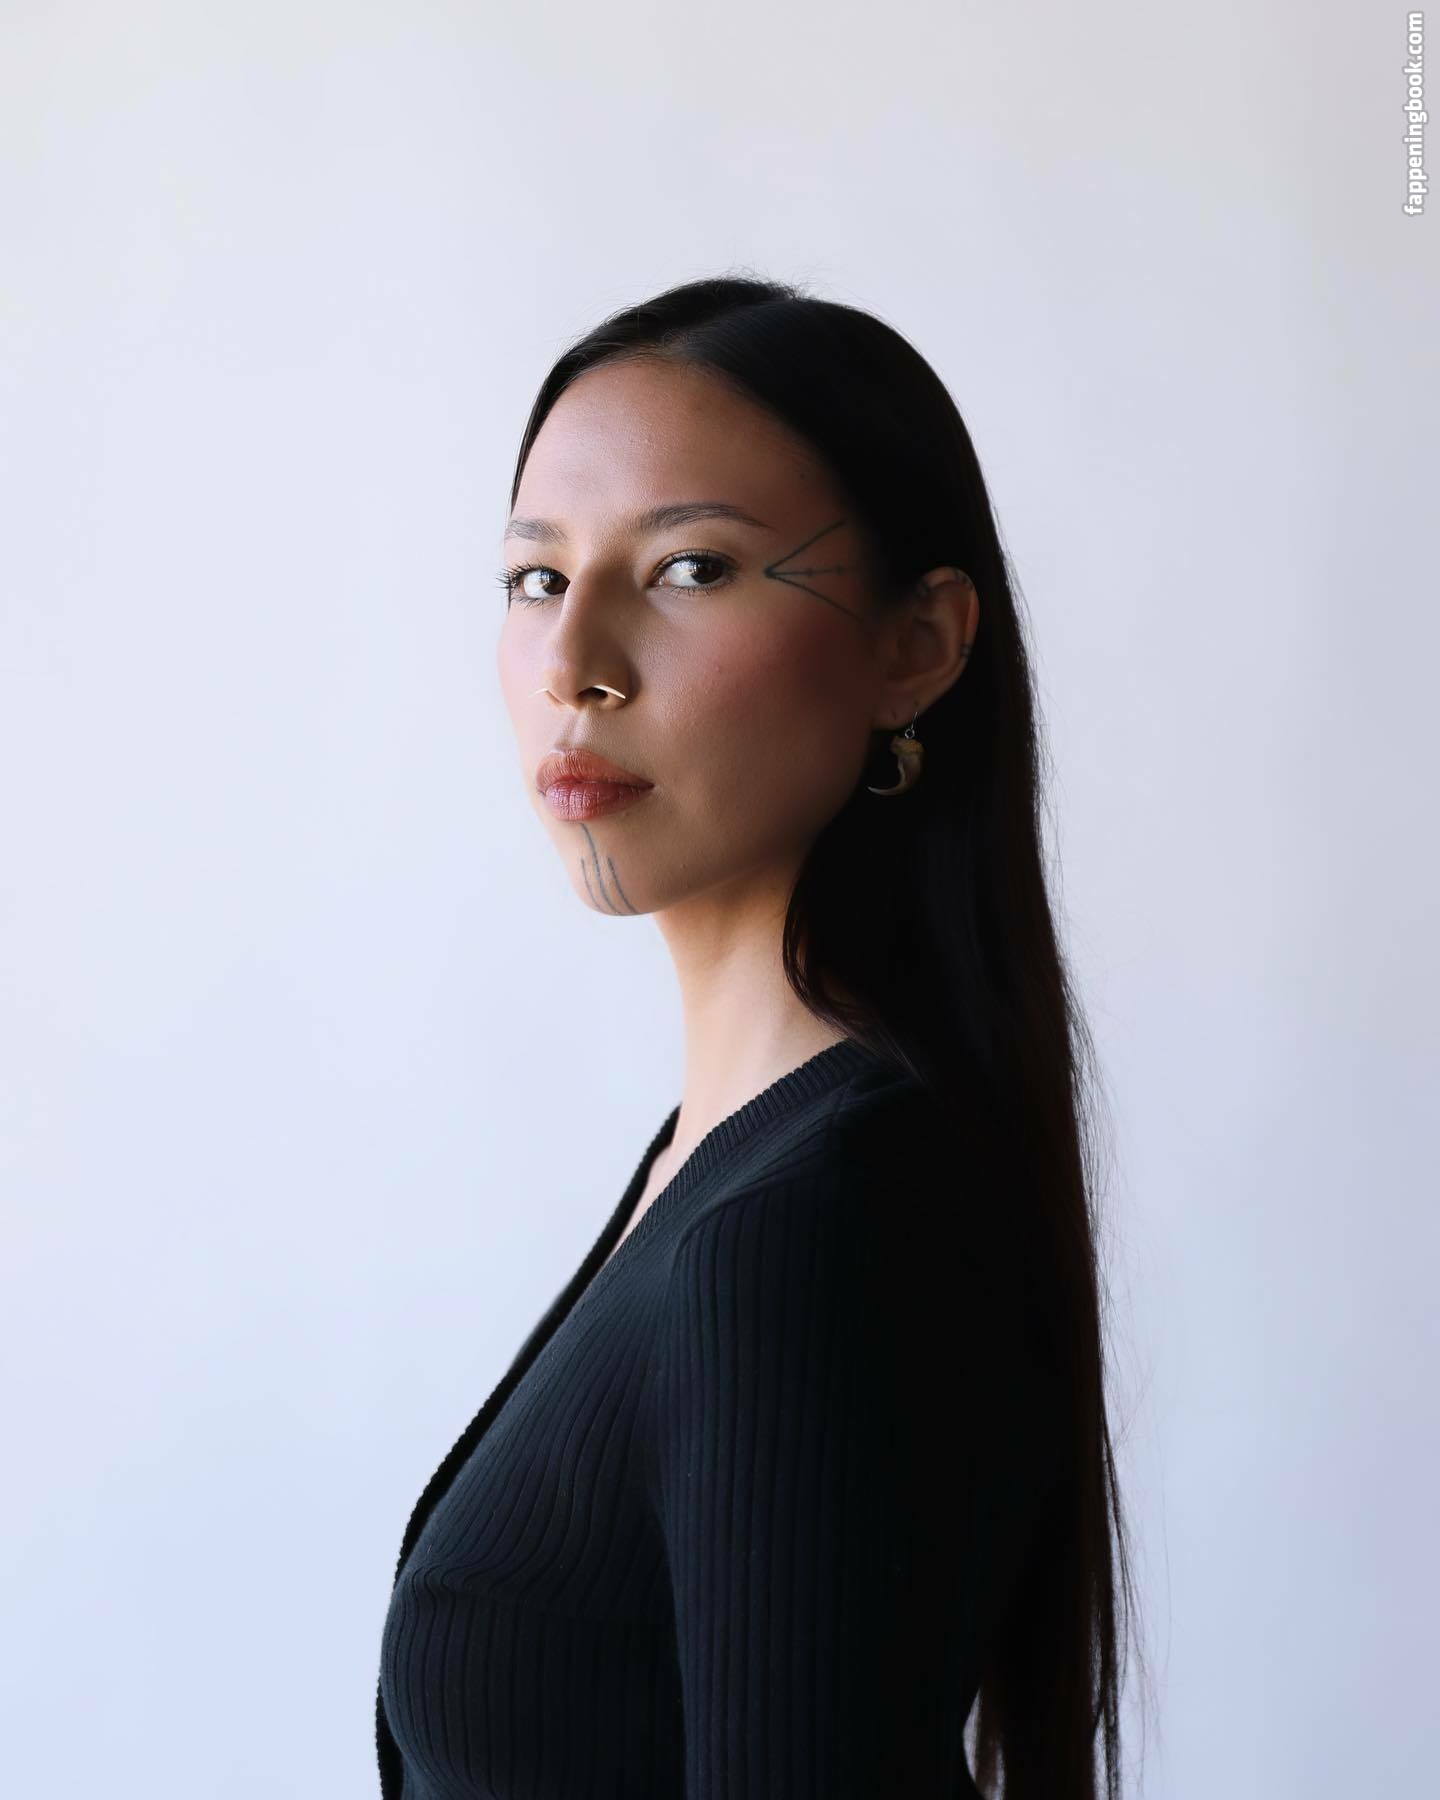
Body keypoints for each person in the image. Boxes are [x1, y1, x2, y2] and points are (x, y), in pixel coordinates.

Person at [374, 274, 1148, 1799]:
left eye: (690, 567)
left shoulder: (800, 1226)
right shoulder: (722, 1165)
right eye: (537, 578)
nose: (574, 663)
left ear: (916, 646)